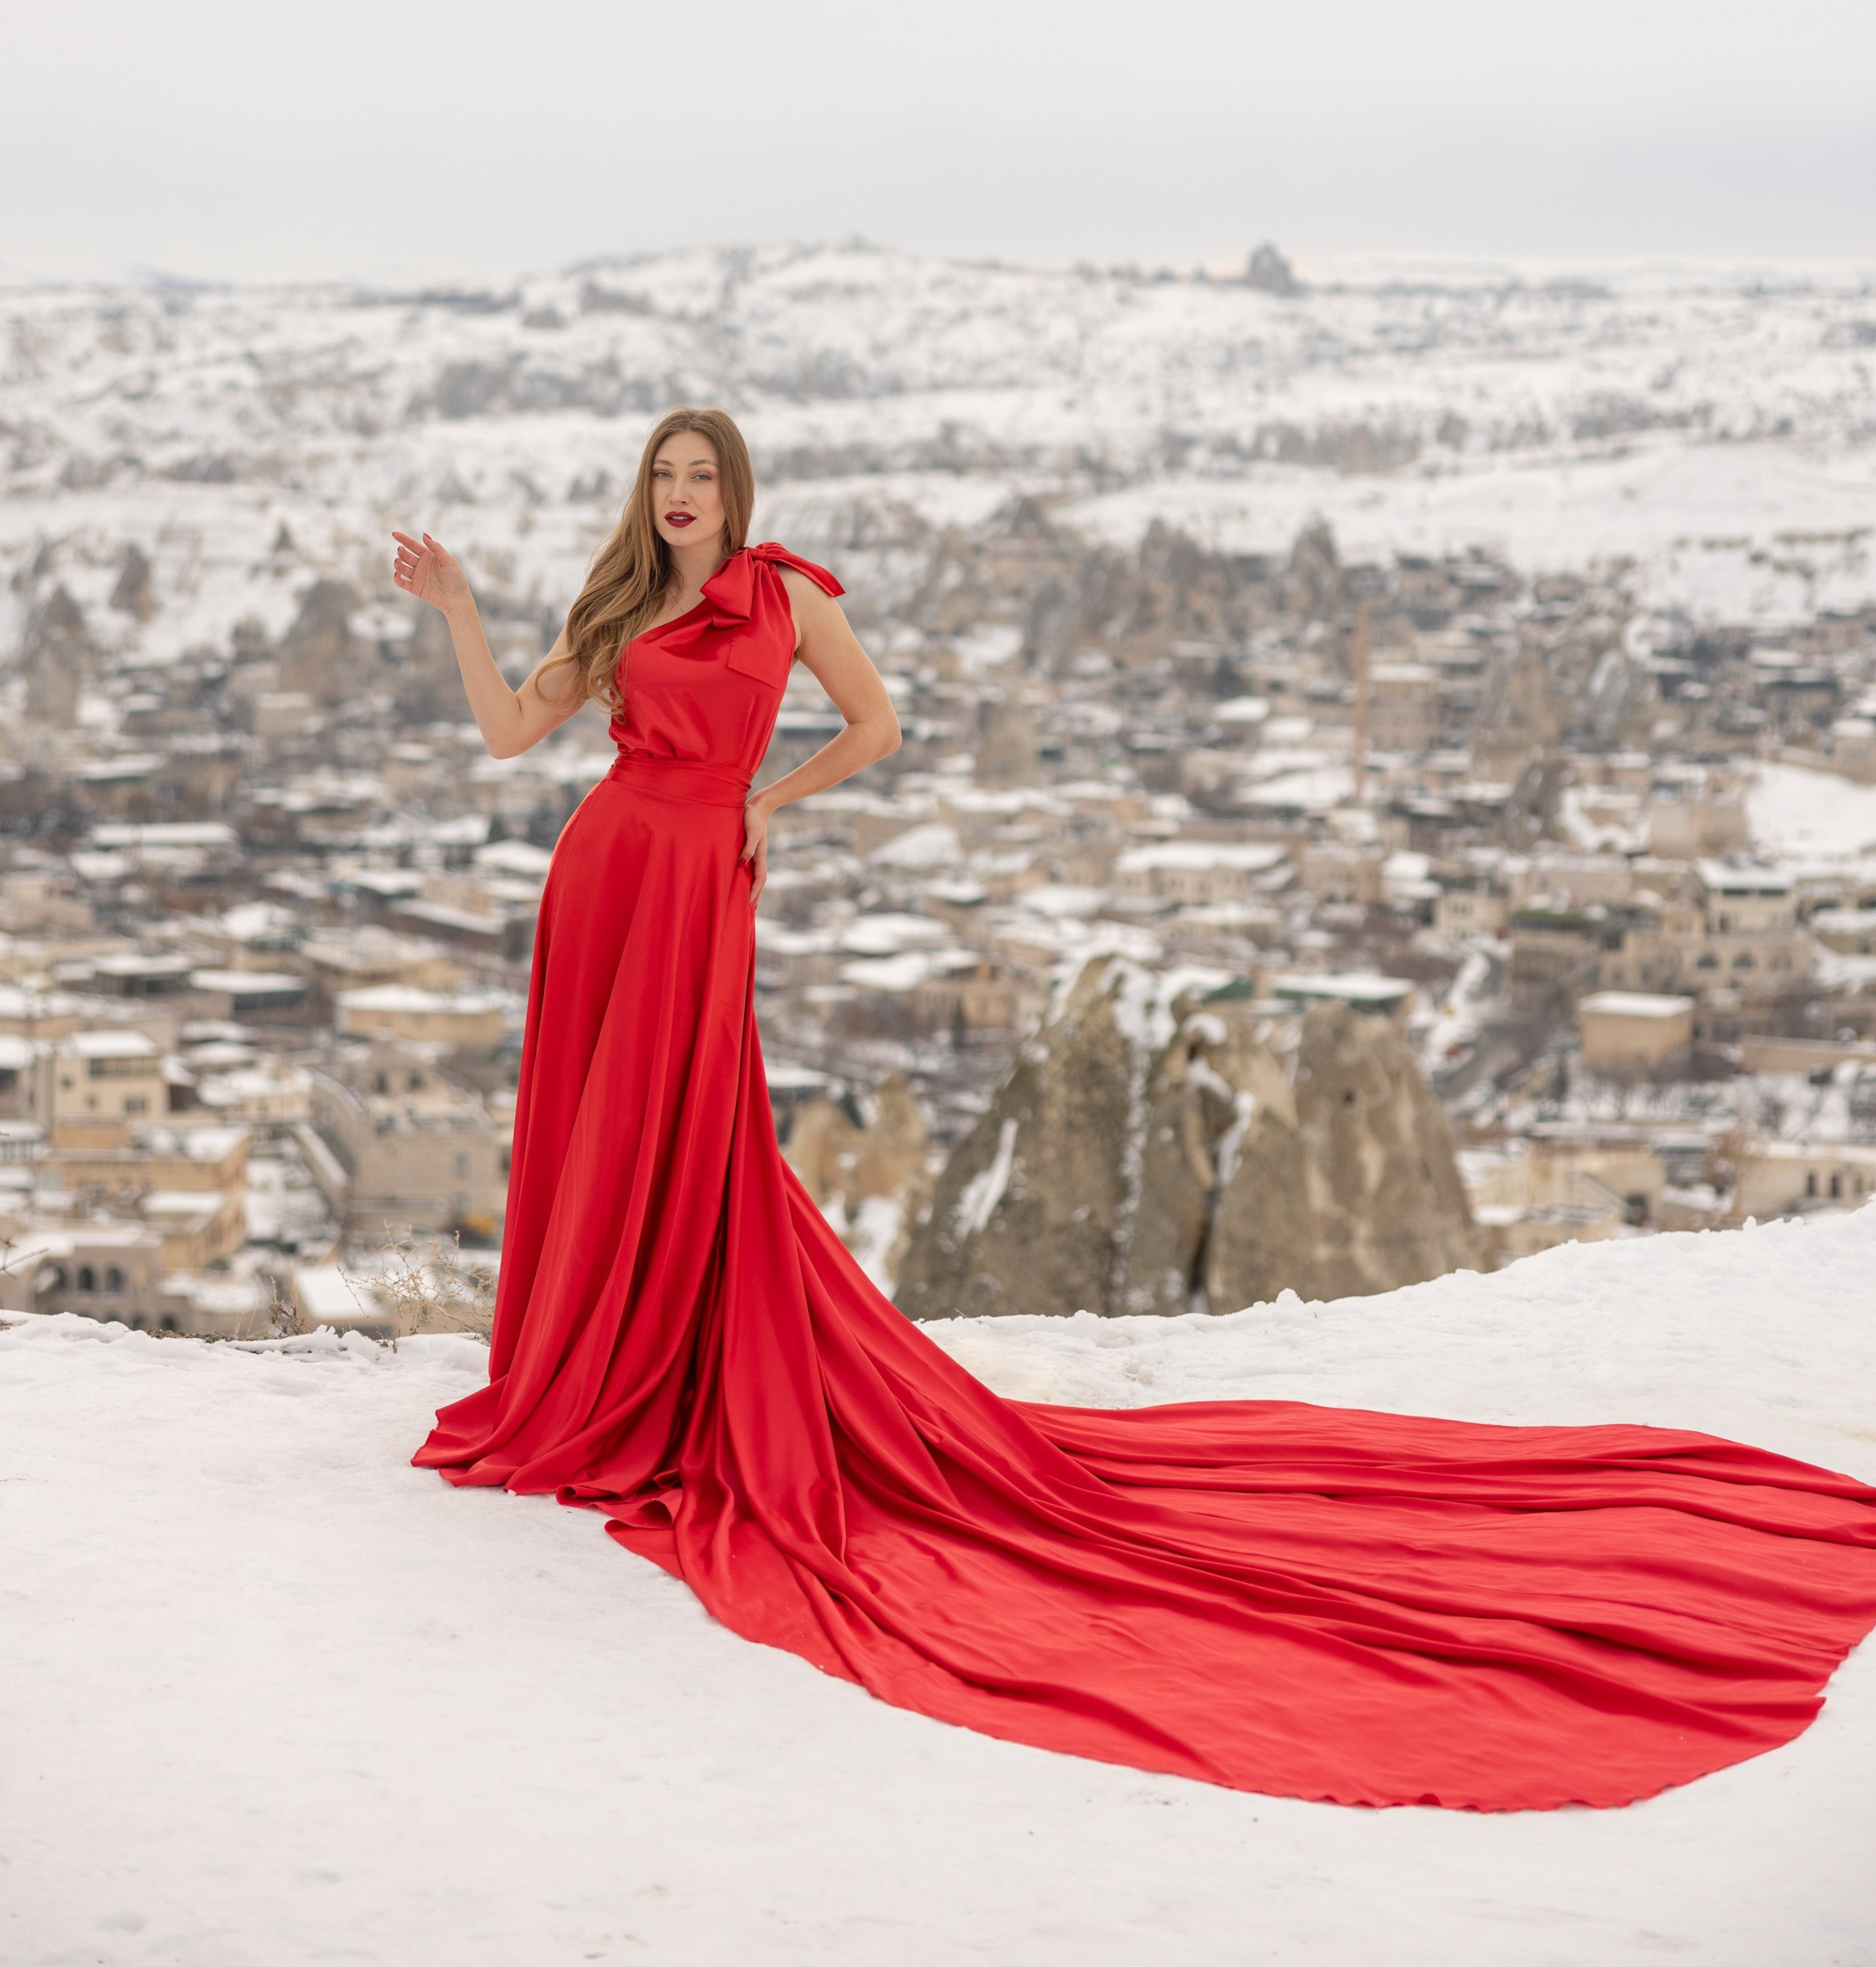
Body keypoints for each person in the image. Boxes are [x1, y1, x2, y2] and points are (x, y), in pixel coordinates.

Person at [396, 407, 1876, 1812]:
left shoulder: (787, 599)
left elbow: (879, 729)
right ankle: (595, 1369)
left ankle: (651, 1366)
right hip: (603, 878)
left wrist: (767, 805)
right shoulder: (613, 611)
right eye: (662, 472)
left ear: (739, 494)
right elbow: (510, 738)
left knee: (694, 1132)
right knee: (603, 1133)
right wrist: (460, 608)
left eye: (701, 475)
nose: (679, 496)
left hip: (698, 880)